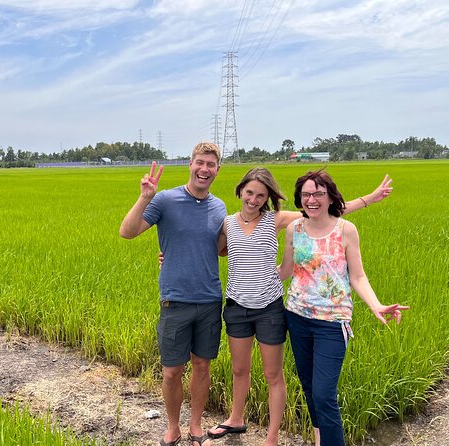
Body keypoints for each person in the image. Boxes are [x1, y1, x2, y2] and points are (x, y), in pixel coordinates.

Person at [205, 168, 393, 446]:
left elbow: (325, 213)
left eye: (261, 194)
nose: (254, 199)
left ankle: (273, 438)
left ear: (268, 197)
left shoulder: (278, 220)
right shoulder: (228, 224)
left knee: (293, 382)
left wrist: (369, 198)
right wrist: (169, 257)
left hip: (281, 309)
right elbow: (209, 249)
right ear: (240, 191)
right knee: (247, 371)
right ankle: (237, 419)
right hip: (256, 309)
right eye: (249, 193)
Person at [277, 169, 409, 446]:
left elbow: (357, 276)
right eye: (306, 195)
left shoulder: (345, 230)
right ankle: (318, 439)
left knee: (325, 394)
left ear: (329, 197)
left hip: (332, 322)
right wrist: (249, 275)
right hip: (297, 317)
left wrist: (376, 305)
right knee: (311, 388)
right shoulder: (294, 229)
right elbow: (286, 270)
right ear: (300, 199)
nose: (312, 200)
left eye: (318, 194)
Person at [120, 142, 226, 446]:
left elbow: (220, 249)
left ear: (218, 170)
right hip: (175, 300)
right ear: (190, 164)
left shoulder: (219, 207)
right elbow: (127, 231)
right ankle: (172, 427)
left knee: (203, 365)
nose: (204, 169)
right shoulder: (165, 200)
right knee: (171, 371)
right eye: (200, 163)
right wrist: (144, 197)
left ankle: (194, 426)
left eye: (211, 164)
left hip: (208, 300)